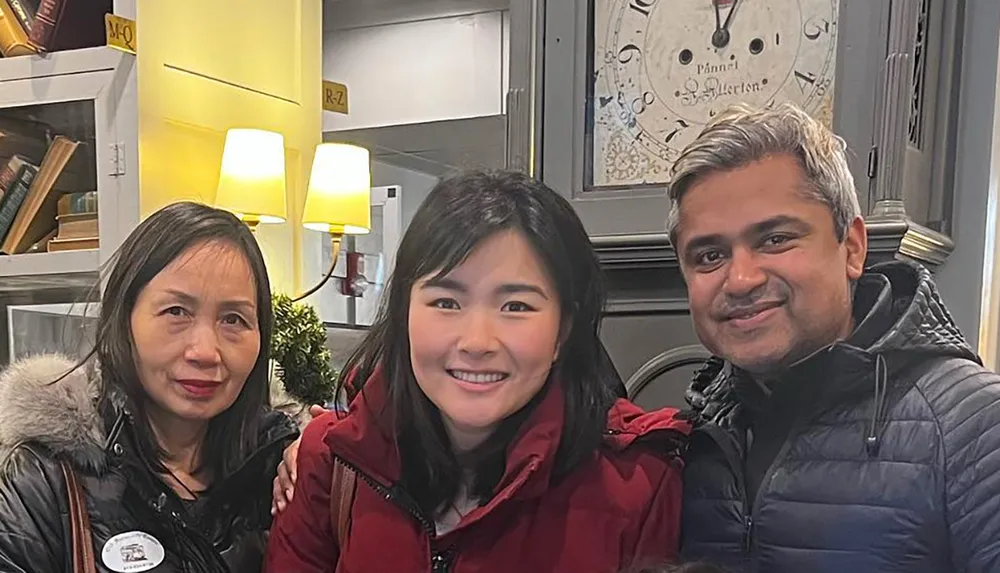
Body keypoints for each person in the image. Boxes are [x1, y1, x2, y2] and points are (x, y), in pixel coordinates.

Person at [263, 170, 691, 572]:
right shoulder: (331, 462)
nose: (476, 342)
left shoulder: (638, 482)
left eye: (516, 306)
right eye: (446, 303)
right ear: (404, 315)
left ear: (563, 330)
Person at [670, 103, 1000, 571]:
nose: (740, 279)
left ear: (852, 248)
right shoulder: (695, 437)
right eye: (708, 256)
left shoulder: (975, 427)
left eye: (775, 239)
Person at [0, 202, 300, 573]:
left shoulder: (284, 472)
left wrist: (310, 449)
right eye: (176, 311)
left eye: (234, 319)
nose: (205, 352)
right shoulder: (41, 483)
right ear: (124, 319)